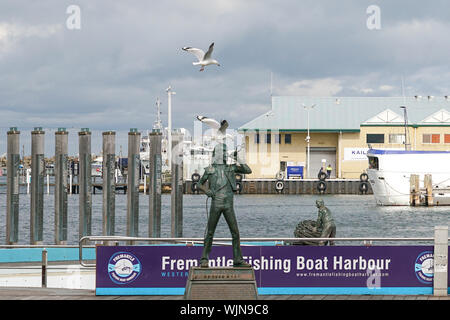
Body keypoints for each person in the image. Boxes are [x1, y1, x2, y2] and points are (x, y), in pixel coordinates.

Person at [197, 142, 252, 268]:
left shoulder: (230, 168)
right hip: (216, 204)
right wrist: (207, 191)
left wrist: (238, 158)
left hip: (228, 205)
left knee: (235, 232)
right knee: (210, 232)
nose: (223, 155)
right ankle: (204, 259)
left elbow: (247, 170)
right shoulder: (210, 169)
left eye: (224, 153)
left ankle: (237, 259)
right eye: (221, 153)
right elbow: (199, 184)